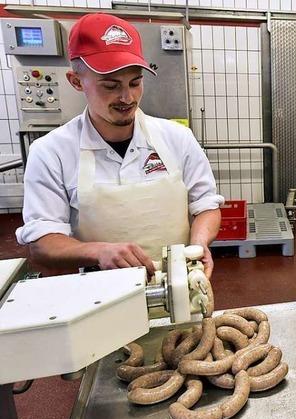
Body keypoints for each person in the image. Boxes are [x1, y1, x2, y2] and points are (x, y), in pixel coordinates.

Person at [16, 13, 224, 279]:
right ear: (76, 81)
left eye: (135, 83)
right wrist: (98, 252)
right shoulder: (51, 152)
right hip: (99, 296)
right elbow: (43, 241)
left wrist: (199, 244)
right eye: (110, 86)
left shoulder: (177, 137)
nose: (127, 97)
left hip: (180, 286)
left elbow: (205, 204)